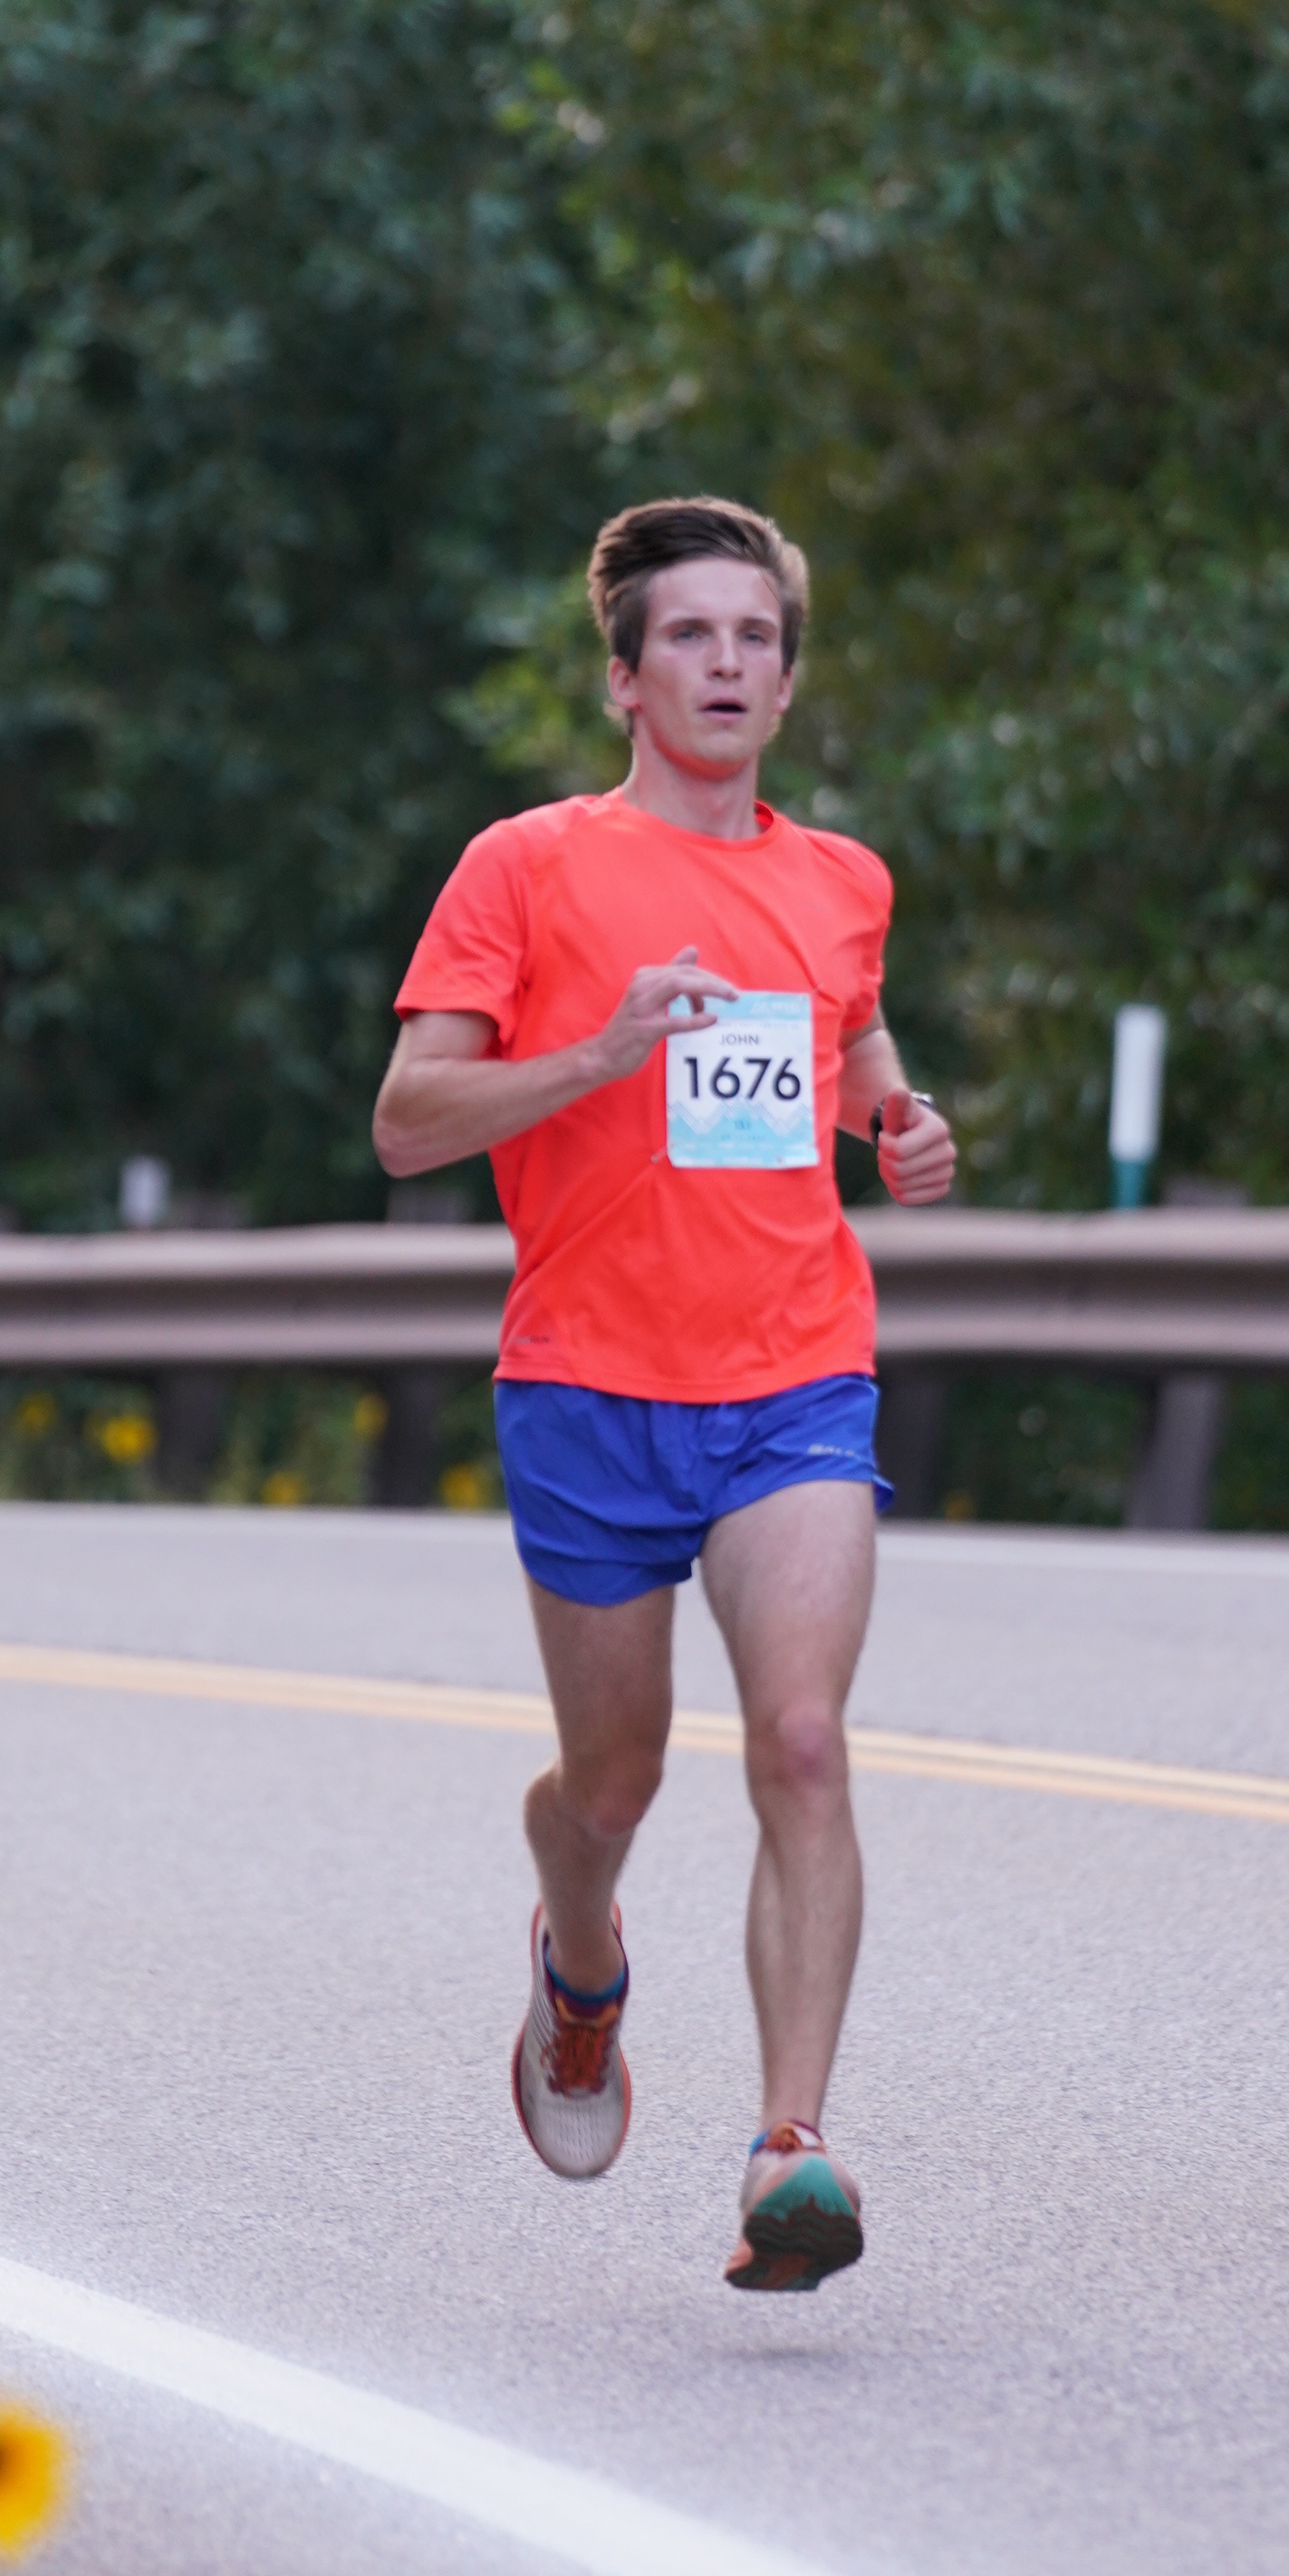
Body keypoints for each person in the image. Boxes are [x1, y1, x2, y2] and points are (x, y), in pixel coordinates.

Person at [373, 495, 957, 2291]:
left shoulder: (840, 879)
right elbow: (407, 1122)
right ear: (625, 679)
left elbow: (843, 1040)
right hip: (587, 1387)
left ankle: (791, 2147)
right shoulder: (524, 867)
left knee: (802, 1740)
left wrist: (895, 1120)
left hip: (794, 1371)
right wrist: (600, 1051)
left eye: (753, 637)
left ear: (784, 682)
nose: (724, 662)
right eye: (688, 635)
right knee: (613, 1781)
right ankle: (578, 1961)